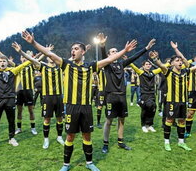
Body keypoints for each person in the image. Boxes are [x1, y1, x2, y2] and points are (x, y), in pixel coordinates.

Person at [21, 30, 137, 171]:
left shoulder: (90, 66)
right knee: (70, 136)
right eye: (72, 49)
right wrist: (33, 42)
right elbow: (49, 54)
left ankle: (89, 163)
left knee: (87, 135)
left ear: (83, 52)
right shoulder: (67, 65)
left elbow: (108, 60)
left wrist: (125, 50)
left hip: (86, 107)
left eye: (76, 49)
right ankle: (66, 165)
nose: (73, 51)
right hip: (71, 107)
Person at [100, 33, 156, 153]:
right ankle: (105, 143)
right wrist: (103, 45)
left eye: (116, 51)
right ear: (109, 55)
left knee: (122, 120)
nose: (115, 52)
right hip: (111, 96)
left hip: (122, 96)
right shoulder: (107, 65)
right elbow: (103, 55)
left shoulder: (121, 64)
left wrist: (146, 48)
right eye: (112, 51)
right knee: (109, 121)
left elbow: (134, 57)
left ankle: (120, 142)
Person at [12, 42, 65, 149]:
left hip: (59, 96)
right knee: (47, 119)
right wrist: (21, 52)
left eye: (52, 56)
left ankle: (59, 137)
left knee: (60, 119)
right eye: (49, 56)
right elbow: (31, 60)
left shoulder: (61, 68)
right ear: (47, 58)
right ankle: (46, 139)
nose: (51, 58)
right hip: (47, 97)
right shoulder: (43, 67)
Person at [150, 49, 195, 151]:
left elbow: (194, 68)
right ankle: (167, 142)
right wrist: (155, 58)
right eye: (177, 60)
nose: (180, 62)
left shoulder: (185, 71)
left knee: (182, 121)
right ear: (173, 63)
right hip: (172, 101)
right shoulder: (168, 72)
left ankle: (181, 142)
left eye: (180, 60)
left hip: (183, 101)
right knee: (169, 120)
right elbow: (161, 65)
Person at [130, 60, 164, 133]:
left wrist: (170, 63)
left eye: (149, 64)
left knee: (153, 108)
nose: (148, 65)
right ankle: (143, 125)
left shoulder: (153, 72)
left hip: (152, 93)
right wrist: (128, 61)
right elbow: (134, 67)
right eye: (146, 64)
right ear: (143, 66)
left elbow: (162, 67)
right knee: (145, 109)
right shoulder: (140, 72)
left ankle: (150, 125)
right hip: (144, 94)